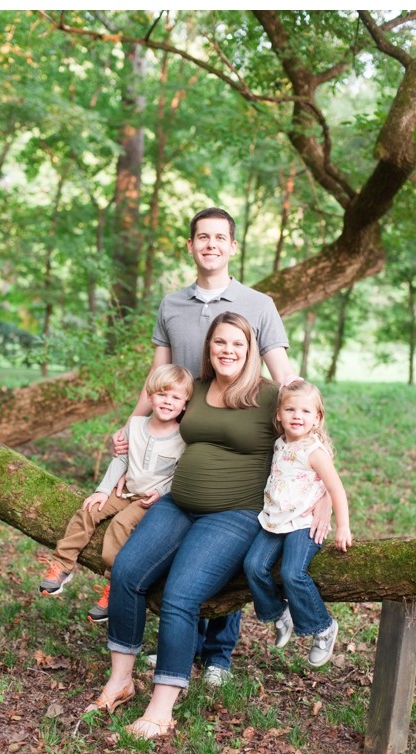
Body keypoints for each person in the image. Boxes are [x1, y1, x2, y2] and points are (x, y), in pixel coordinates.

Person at [88, 313, 334, 739]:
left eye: (237, 344)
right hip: (176, 503)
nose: (227, 351)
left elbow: (316, 441)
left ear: (251, 350)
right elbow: (158, 421)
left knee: (182, 593)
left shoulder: (271, 396)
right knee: (127, 572)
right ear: (209, 347)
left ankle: (161, 708)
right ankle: (120, 681)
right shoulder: (195, 389)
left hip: (234, 516)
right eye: (220, 342)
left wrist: (327, 502)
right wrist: (127, 440)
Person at [112, 206, 294, 686]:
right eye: (202, 237)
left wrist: (307, 436)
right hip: (185, 431)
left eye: (220, 237)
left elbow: (286, 378)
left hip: (244, 433)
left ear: (233, 247)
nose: (211, 244)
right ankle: (180, 646)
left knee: (220, 543)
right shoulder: (172, 305)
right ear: (190, 246)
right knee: (181, 548)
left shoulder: (258, 304)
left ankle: (218, 654)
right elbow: (158, 379)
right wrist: (132, 428)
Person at [36, 364, 193, 623]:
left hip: (148, 500)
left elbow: (179, 474)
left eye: (175, 397)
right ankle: (62, 565)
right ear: (151, 396)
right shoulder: (136, 425)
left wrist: (161, 492)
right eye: (162, 394)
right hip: (125, 489)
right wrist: (102, 490)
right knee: (88, 510)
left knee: (120, 527)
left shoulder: (182, 438)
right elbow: (121, 460)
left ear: (184, 404)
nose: (167, 401)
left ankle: (113, 588)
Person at [244, 378, 352, 668]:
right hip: (275, 520)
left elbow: (336, 488)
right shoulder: (280, 444)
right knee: (253, 565)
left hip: (304, 523)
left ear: (317, 419)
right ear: (279, 414)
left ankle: (322, 627)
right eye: (290, 410)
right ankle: (281, 613)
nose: (297, 417)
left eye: (306, 412)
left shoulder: (314, 451)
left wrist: (342, 526)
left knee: (293, 573)